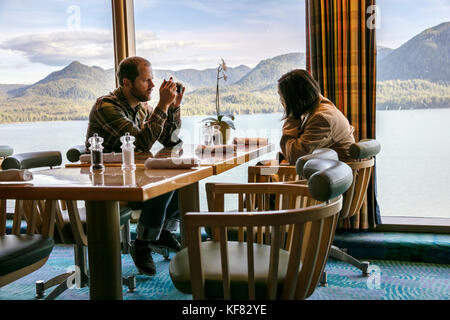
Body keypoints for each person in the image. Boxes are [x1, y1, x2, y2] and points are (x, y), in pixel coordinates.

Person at [85, 56, 185, 276]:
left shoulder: (142, 109)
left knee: (182, 173)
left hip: (131, 179)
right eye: (145, 81)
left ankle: (163, 233)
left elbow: (171, 140)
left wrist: (174, 108)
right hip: (107, 186)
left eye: (152, 80)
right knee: (161, 178)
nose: (152, 86)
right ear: (126, 83)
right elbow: (140, 143)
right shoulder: (106, 107)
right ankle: (141, 244)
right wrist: (162, 105)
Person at [278, 69, 355, 165]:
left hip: (333, 175)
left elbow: (294, 157)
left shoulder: (321, 118)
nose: (281, 101)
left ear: (293, 98)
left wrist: (292, 114)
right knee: (268, 166)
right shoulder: (320, 108)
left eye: (282, 97)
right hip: (331, 170)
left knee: (263, 170)